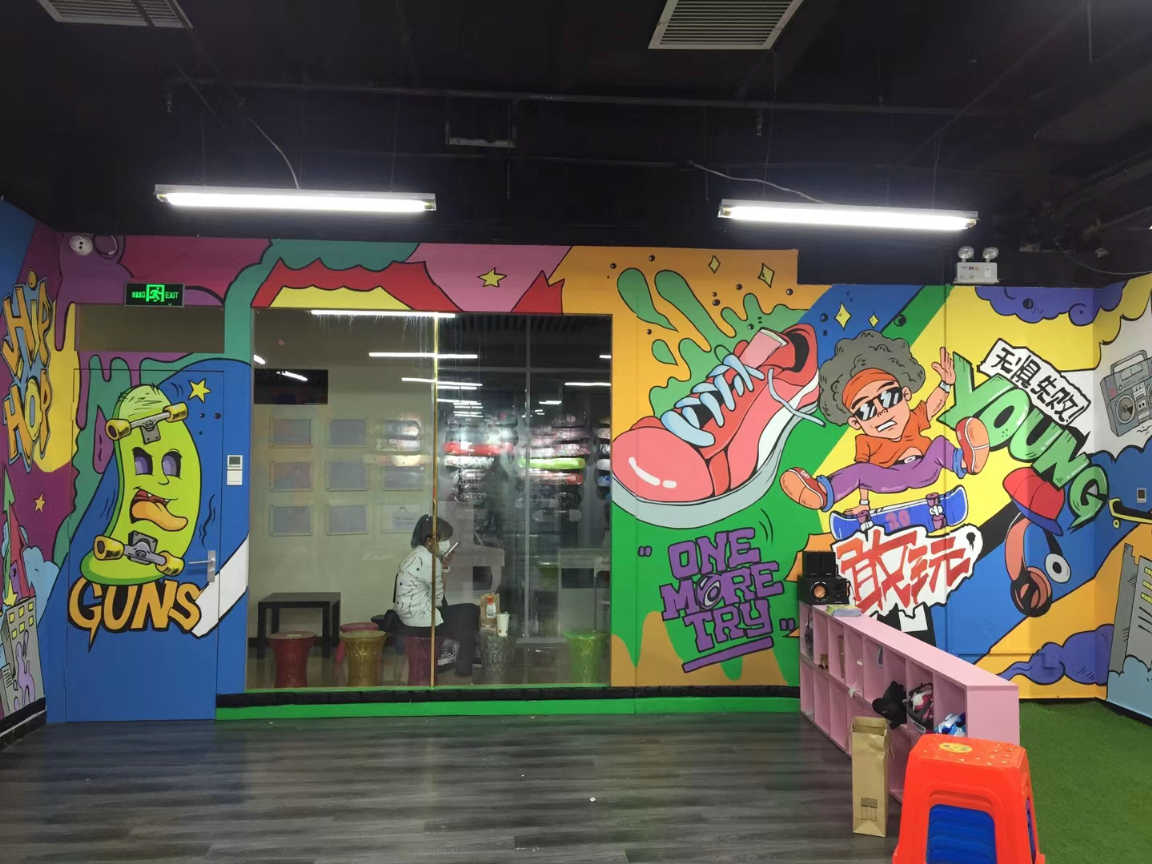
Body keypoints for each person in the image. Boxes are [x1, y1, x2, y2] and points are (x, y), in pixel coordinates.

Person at [780, 331, 990, 515]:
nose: (882, 411)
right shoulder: (865, 441)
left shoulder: (913, 419)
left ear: (905, 394)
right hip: (888, 478)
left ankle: (966, 461)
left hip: (923, 469)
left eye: (889, 397)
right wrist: (864, 504)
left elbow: (932, 406)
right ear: (855, 422)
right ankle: (823, 493)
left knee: (938, 445)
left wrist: (945, 384)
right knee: (858, 471)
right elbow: (861, 475)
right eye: (867, 409)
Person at [393, 515, 478, 679]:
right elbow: (439, 600)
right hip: (420, 621)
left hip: (408, 617)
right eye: (444, 539)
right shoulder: (430, 561)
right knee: (471, 612)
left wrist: (444, 566)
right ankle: (460, 667)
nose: (447, 544)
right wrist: (442, 567)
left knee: (465, 612)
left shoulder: (415, 555)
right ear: (430, 540)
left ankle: (449, 657)